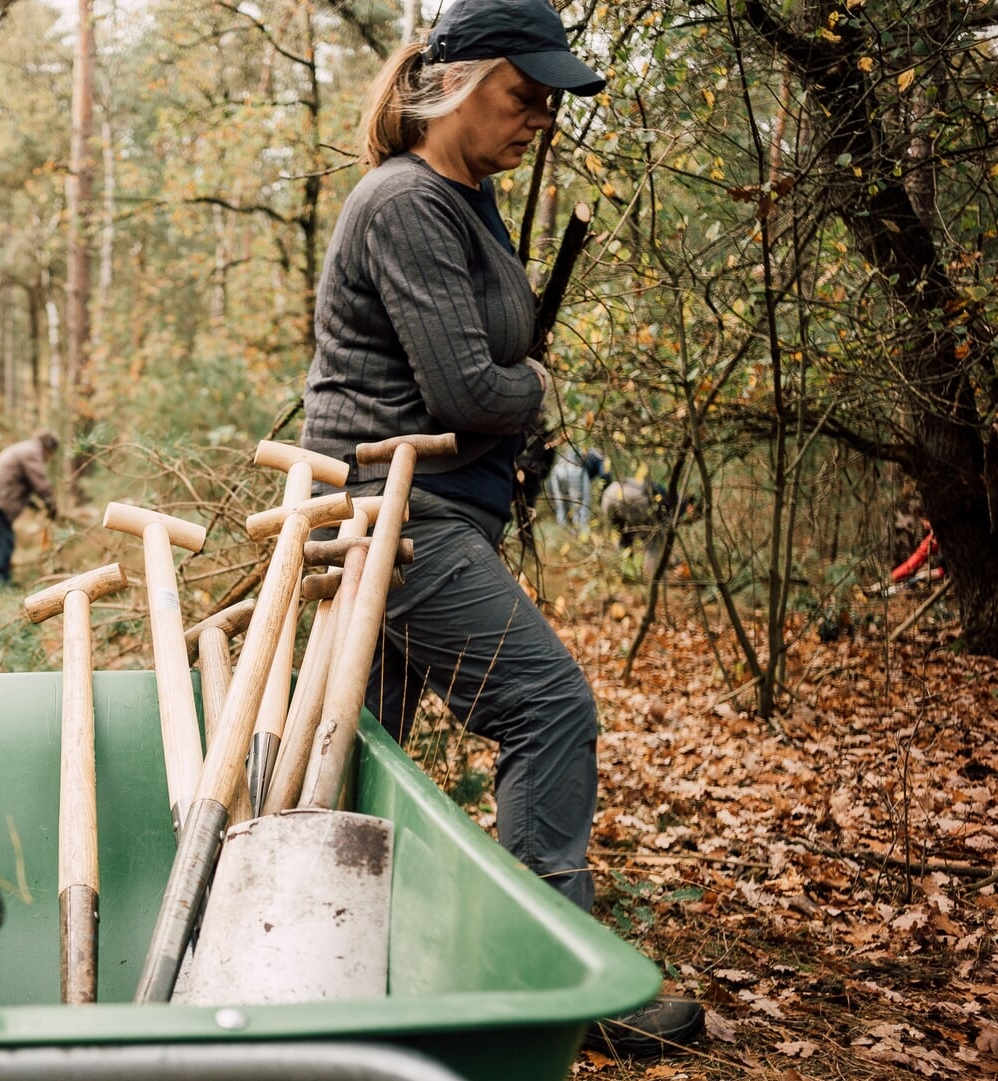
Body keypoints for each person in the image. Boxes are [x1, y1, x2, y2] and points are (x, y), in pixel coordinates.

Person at [298, 0, 701, 1057]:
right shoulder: (405, 201)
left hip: (419, 509)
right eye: (524, 97)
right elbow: (471, 388)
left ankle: (335, 977)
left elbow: (478, 379)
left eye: (549, 105)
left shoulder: (467, 200)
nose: (540, 122)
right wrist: (539, 388)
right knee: (548, 707)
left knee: (357, 747)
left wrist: (510, 399)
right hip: (389, 511)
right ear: (460, 84)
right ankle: (559, 982)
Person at [0, 429, 58, 588]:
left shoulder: (26, 448)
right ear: (48, 448)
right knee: (5, 541)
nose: (49, 458)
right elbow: (40, 482)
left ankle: (3, 578)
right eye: (51, 453)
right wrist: (52, 505)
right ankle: (2, 583)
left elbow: (19, 482)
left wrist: (36, 505)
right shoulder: (32, 452)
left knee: (4, 540)